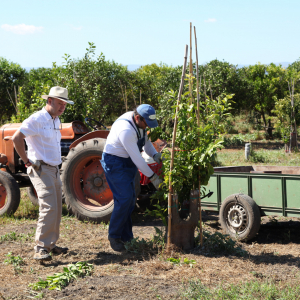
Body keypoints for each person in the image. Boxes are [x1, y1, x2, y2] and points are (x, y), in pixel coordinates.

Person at [12, 86, 74, 261]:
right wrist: (26, 161)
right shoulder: (37, 119)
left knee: (56, 207)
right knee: (48, 207)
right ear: (49, 101)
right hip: (40, 168)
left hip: (54, 168)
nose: (62, 107)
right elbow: (17, 138)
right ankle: (40, 248)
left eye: (65, 104)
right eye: (60, 103)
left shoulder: (55, 120)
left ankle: (51, 244)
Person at [101, 104, 163, 252]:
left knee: (130, 200)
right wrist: (153, 177)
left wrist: (155, 154)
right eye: (146, 123)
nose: (147, 126)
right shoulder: (126, 130)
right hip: (115, 162)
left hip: (127, 161)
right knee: (124, 199)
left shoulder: (140, 122)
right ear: (137, 118)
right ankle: (114, 237)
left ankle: (127, 237)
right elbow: (138, 159)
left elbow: (146, 143)